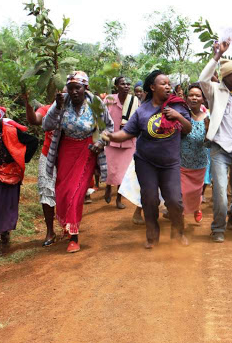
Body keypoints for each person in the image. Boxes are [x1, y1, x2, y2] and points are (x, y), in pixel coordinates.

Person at [103, 70, 192, 249]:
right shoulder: (142, 111)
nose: (168, 86)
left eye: (169, 83)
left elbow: (187, 129)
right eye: (163, 84)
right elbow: (127, 132)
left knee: (174, 200)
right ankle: (152, 236)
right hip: (146, 162)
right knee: (149, 199)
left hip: (170, 163)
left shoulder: (178, 106)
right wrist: (111, 136)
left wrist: (178, 117)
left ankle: (178, 232)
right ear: (152, 87)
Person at [43, 71, 113, 253]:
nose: (73, 92)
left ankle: (74, 236)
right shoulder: (61, 102)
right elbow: (46, 125)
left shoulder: (95, 103)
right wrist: (57, 107)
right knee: (63, 191)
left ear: (85, 88)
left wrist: (100, 141)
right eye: (70, 88)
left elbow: (109, 126)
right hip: (65, 150)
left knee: (76, 190)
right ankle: (67, 224)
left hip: (87, 150)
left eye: (78, 88)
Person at [198, 39, 232, 243]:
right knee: (220, 192)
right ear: (225, 77)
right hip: (220, 150)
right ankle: (218, 228)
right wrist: (217, 55)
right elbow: (202, 78)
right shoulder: (214, 91)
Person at [0, 105, 38, 256]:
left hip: (11, 172)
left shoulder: (11, 131)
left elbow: (33, 141)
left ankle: (1, 235)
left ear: (1, 121)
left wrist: (21, 159)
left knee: (9, 204)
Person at [23, 90, 59, 246]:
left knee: (69, 191)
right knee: (46, 189)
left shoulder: (80, 112)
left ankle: (70, 226)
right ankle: (50, 231)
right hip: (48, 154)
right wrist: (27, 102)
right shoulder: (48, 109)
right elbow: (34, 120)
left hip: (69, 156)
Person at [103, 76, 138, 209]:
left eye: (128, 84)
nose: (126, 86)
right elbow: (102, 117)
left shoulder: (134, 101)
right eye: (123, 84)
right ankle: (107, 186)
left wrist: (131, 126)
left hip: (128, 141)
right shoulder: (109, 99)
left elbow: (138, 118)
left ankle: (118, 198)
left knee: (124, 172)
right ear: (116, 86)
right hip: (111, 140)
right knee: (110, 169)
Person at [180, 83, 210, 223]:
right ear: (186, 98)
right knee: (182, 192)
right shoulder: (181, 115)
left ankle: (196, 208)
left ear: (203, 99)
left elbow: (209, 142)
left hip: (200, 162)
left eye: (197, 95)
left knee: (196, 191)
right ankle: (179, 223)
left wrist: (208, 130)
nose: (194, 98)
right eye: (191, 95)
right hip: (182, 162)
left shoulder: (208, 117)